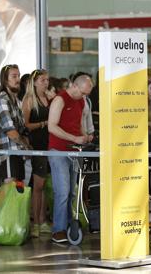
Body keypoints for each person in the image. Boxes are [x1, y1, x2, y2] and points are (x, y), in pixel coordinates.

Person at [47, 73, 93, 244]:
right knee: (63, 191)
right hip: (58, 150)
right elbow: (52, 127)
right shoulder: (60, 100)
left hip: (75, 150)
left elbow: (79, 122)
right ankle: (58, 230)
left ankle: (67, 224)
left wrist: (84, 136)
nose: (84, 97)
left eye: (87, 94)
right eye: (82, 93)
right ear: (74, 86)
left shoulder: (81, 101)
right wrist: (74, 139)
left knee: (72, 192)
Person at [21, 69, 52, 237]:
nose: (45, 83)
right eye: (42, 80)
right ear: (34, 82)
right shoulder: (29, 100)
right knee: (38, 184)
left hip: (50, 144)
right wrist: (43, 123)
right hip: (37, 143)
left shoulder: (49, 98)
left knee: (45, 184)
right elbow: (25, 125)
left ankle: (43, 219)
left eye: (47, 80)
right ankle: (36, 222)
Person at [0, 65, 30, 182]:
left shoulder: (16, 101)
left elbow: (21, 129)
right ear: (5, 80)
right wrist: (26, 145)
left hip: (18, 152)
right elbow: (11, 132)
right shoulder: (2, 100)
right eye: (14, 76)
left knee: (18, 192)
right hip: (9, 152)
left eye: (18, 76)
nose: (18, 79)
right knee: (11, 192)